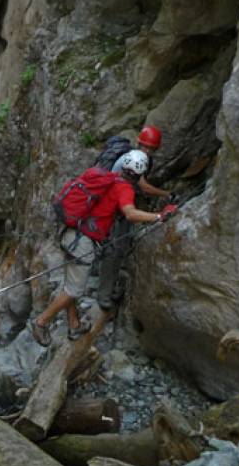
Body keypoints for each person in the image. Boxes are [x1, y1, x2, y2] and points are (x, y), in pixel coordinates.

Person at [31, 151, 177, 346]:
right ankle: (41, 322)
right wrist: (159, 216)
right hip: (82, 242)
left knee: (70, 283)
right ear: (140, 173)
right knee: (74, 290)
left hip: (69, 232)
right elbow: (130, 214)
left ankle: (74, 325)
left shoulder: (110, 178)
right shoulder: (124, 189)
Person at [95, 125, 172, 312]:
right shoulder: (131, 160)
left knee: (119, 247)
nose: (148, 151)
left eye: (151, 149)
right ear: (139, 143)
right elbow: (143, 186)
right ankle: (104, 295)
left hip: (118, 207)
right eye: (146, 147)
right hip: (114, 210)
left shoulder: (134, 157)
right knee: (113, 251)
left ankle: (108, 284)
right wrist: (166, 195)